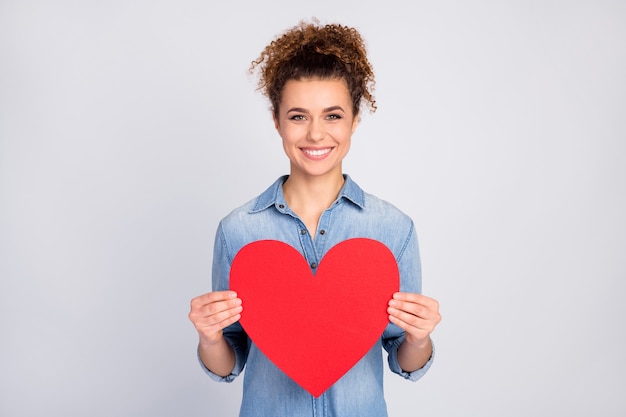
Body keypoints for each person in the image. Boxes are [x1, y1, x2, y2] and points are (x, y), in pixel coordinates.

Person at [188, 19, 441, 416]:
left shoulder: (394, 229)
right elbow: (231, 360)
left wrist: (419, 338)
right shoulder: (237, 230)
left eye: (333, 116)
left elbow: (403, 359)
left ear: (355, 120)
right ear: (277, 121)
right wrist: (208, 339)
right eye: (298, 116)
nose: (316, 135)